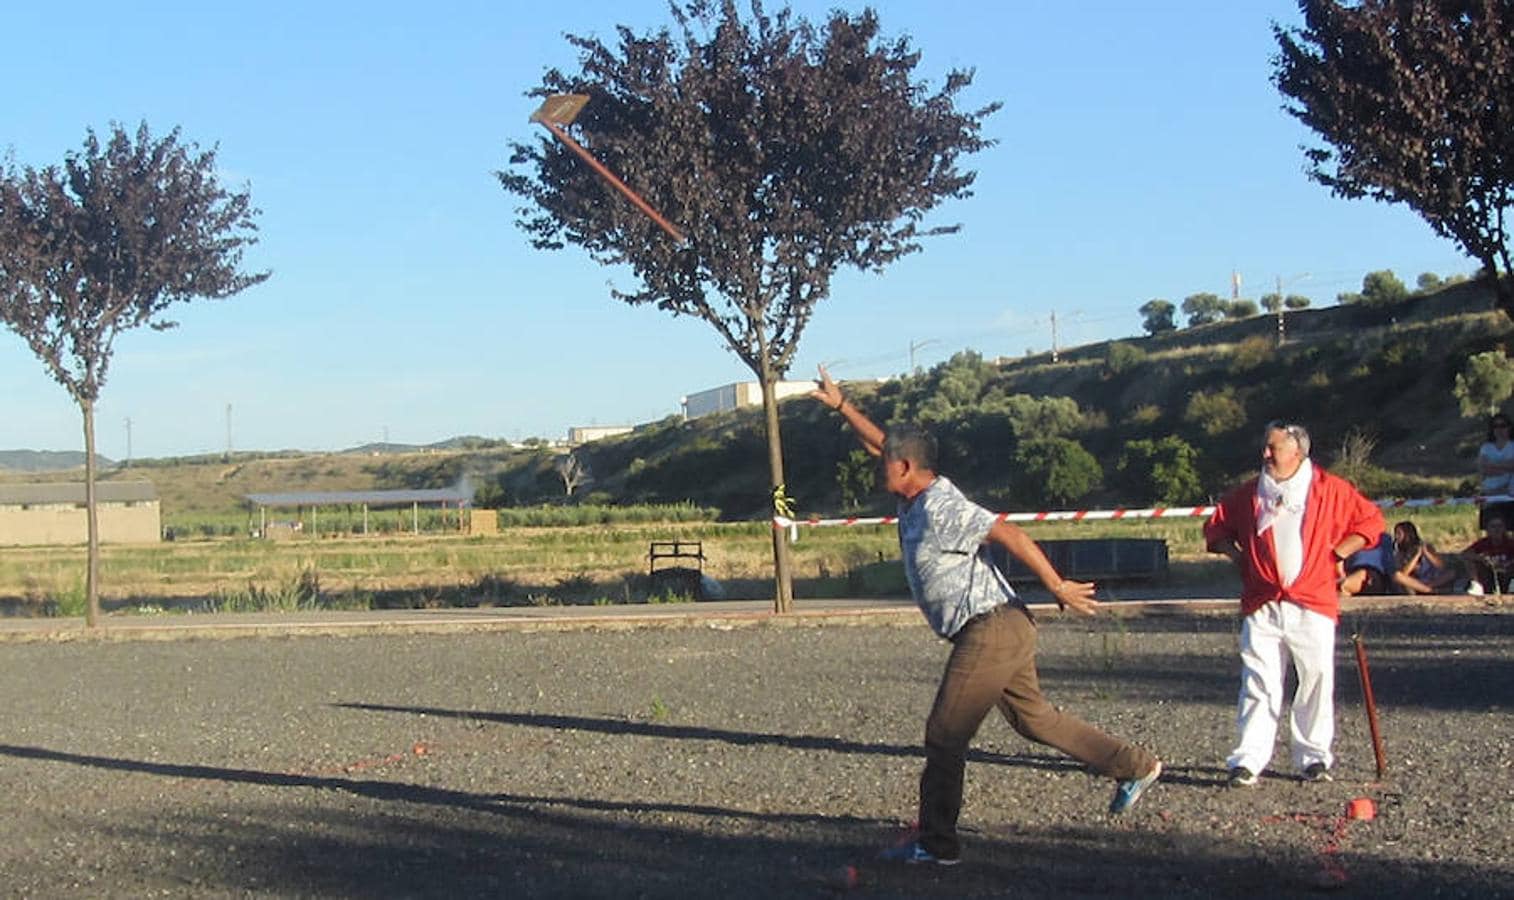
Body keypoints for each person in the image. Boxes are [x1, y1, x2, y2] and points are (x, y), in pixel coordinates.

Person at [811, 366, 1161, 866]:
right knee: (1032, 718)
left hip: (991, 626)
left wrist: (1055, 583)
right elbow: (880, 443)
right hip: (1000, 626)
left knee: (944, 732)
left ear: (906, 467)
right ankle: (1134, 765)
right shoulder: (910, 492)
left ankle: (938, 845)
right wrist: (843, 406)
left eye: (886, 461)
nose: (877, 463)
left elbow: (1008, 533)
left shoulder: (940, 507)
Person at [1204, 420, 1384, 787]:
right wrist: (1239, 559)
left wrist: (1337, 552)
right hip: (1263, 602)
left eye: (1274, 448)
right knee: (1259, 680)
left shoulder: (1330, 489)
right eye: (1266, 447)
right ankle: (1248, 758)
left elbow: (1371, 522)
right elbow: (1216, 528)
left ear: (1298, 451)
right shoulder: (1250, 493)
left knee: (1316, 677)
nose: (1266, 454)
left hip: (1313, 599)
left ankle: (1313, 757)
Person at [1390, 520, 1458, 595]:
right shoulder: (1400, 553)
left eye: (1399, 533)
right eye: (1396, 533)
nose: (1396, 536)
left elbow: (1441, 565)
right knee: (1397, 576)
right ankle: (1429, 590)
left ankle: (1431, 588)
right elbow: (1404, 573)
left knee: (1451, 572)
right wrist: (1417, 556)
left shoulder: (1425, 546)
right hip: (1417, 582)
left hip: (1433, 579)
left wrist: (1427, 553)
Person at [1476, 414, 1514, 529]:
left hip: (1509, 494)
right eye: (1495, 426)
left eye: (1503, 426)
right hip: (1490, 494)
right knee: (1492, 530)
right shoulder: (1486, 447)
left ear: (1509, 428)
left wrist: (1493, 465)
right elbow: (1484, 469)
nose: (1499, 430)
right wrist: (1506, 467)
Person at [1464, 514, 1514, 595]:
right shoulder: (1483, 543)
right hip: (1488, 573)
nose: (1496, 529)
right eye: (1493, 526)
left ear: (1504, 528)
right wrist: (1482, 558)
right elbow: (1465, 554)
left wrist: (1509, 563)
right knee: (1471, 561)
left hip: (1507, 573)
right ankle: (1477, 586)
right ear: (1487, 529)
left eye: (1499, 526)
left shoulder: (1510, 542)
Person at [1339, 532, 1393, 597]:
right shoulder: (1349, 535)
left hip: (1370, 574)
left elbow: (1389, 564)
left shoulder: (1383, 537)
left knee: (1343, 586)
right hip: (1355, 573)